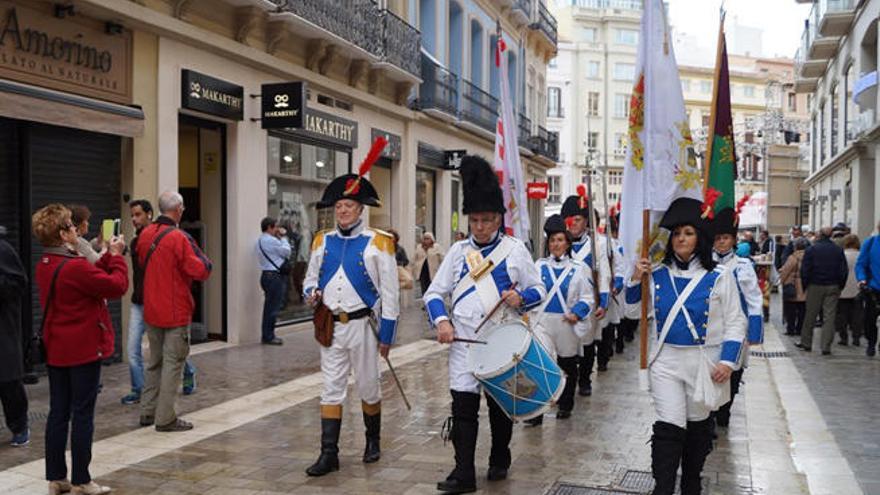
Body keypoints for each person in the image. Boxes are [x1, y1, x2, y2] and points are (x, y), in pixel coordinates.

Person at [423, 155, 544, 494]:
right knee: (462, 407)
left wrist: (521, 299)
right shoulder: (459, 252)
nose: (479, 226)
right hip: (462, 342)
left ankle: (499, 458)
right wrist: (443, 322)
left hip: (500, 341)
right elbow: (435, 293)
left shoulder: (515, 250)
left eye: (486, 220)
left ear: (498, 218)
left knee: (498, 408)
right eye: (474, 220)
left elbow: (540, 290)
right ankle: (463, 473)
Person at [626, 198, 746, 495]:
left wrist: (728, 362)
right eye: (677, 232)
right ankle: (663, 488)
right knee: (669, 427)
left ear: (700, 238)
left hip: (704, 363)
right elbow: (630, 312)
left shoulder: (720, 276)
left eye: (688, 232)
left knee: (696, 429)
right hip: (665, 361)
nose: (681, 238)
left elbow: (736, 321)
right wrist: (635, 277)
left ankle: (691, 483)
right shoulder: (656, 273)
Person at [302, 141, 399, 477]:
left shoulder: (379, 242)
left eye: (349, 205)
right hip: (331, 326)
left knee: (369, 385)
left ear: (361, 209)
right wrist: (311, 293)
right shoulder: (321, 241)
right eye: (339, 206)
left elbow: (390, 295)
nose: (342, 211)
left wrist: (387, 335)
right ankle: (329, 453)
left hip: (364, 328)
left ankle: (373, 440)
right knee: (330, 388)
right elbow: (309, 280)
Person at [33, 204, 128, 495]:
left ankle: (56, 477)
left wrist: (91, 252)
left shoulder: (46, 263)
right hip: (83, 348)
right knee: (83, 413)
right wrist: (116, 257)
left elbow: (89, 276)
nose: (76, 229)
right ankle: (82, 480)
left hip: (57, 348)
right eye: (71, 227)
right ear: (63, 233)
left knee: (58, 412)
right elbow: (116, 286)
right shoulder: (74, 267)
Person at [137, 191, 212, 432]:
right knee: (173, 364)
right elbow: (199, 270)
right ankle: (166, 417)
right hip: (175, 311)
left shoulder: (145, 234)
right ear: (178, 209)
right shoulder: (179, 238)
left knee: (154, 363)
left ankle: (147, 411)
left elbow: (142, 264)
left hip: (151, 309)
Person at [526, 215, 594, 426]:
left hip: (566, 323)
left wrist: (577, 312)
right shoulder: (539, 265)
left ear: (567, 242)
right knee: (541, 366)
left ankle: (565, 404)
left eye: (560, 240)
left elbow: (587, 297)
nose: (556, 244)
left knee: (566, 365)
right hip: (542, 322)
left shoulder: (579, 268)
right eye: (552, 241)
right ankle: (537, 411)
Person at [711, 208, 763, 430]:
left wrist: (754, 331)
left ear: (733, 240)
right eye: (717, 239)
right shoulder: (706, 265)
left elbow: (754, 299)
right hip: (713, 327)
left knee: (734, 370)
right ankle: (710, 416)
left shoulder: (743, 265)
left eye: (725, 238)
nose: (721, 243)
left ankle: (725, 411)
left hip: (737, 327)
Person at [560, 192, 609, 395]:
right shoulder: (560, 243)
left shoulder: (597, 245)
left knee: (588, 341)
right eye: (570, 220)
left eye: (578, 220)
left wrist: (603, 301)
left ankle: (585, 378)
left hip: (588, 300)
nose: (573, 224)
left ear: (586, 222)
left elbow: (604, 272)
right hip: (566, 301)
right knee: (567, 344)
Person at [797, 227, 848, 355]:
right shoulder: (838, 250)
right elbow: (843, 270)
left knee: (810, 315)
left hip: (815, 285)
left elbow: (805, 270)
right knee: (829, 317)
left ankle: (806, 342)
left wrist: (805, 285)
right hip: (833, 285)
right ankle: (826, 346)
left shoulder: (811, 249)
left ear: (819, 235)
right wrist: (840, 285)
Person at [0, 227, 29, 447]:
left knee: (9, 383)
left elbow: (18, 283)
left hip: (3, 328)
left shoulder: (4, 249)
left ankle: (20, 426)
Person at [256, 216, 290, 346]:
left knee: (269, 306)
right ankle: (269, 336)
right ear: (269, 227)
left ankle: (267, 334)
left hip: (266, 275)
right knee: (273, 308)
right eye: (275, 226)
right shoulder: (271, 240)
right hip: (274, 277)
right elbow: (286, 252)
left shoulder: (260, 240)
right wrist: (284, 238)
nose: (277, 229)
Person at [856, 220, 880, 357]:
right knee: (869, 320)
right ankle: (871, 343)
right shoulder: (870, 243)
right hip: (873, 289)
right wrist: (862, 279)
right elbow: (861, 264)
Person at [836, 234, 862, 346]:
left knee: (842, 315)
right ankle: (856, 337)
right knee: (857, 315)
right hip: (858, 289)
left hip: (843, 289)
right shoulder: (861, 255)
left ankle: (843, 337)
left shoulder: (842, 255)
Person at [779, 239, 808, 336]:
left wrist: (781, 282)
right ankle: (800, 329)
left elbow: (785, 271)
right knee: (802, 310)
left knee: (791, 310)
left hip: (793, 286)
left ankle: (791, 329)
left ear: (795, 247)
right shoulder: (809, 257)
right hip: (804, 286)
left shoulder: (793, 257)